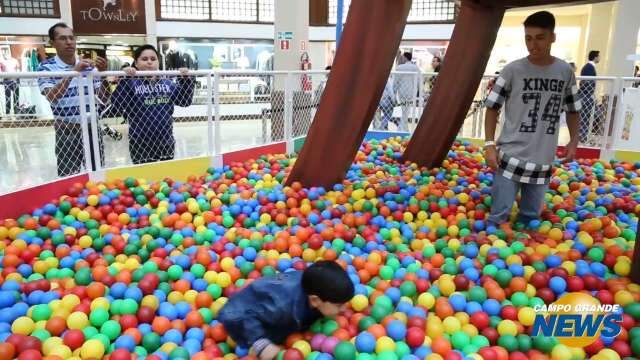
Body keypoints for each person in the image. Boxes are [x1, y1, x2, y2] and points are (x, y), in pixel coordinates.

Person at [483, 11, 581, 228]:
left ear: (552, 37)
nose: (533, 45)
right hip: (510, 157)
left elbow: (573, 109)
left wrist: (574, 141)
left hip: (543, 158)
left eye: (540, 38)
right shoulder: (512, 70)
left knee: (530, 220)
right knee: (498, 218)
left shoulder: (565, 72)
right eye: (528, 38)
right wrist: (489, 144)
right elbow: (491, 108)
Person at [218, 261, 354, 360]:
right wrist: (261, 343)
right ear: (315, 300)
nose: (344, 308)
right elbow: (246, 314)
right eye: (338, 305)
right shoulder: (281, 306)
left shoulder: (315, 286)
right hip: (238, 314)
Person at [38, 22, 110, 177]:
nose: (69, 42)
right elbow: (52, 96)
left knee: (98, 174)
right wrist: (73, 73)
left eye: (71, 38)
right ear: (52, 43)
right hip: (67, 131)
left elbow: (104, 98)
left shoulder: (89, 66)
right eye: (63, 38)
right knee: (69, 178)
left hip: (92, 129)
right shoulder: (46, 67)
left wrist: (103, 75)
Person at [111, 44, 195, 165]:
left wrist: (185, 80)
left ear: (158, 62)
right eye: (144, 59)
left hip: (165, 141)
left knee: (165, 179)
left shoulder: (168, 83)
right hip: (140, 143)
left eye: (153, 59)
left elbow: (184, 101)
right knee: (144, 179)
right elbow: (117, 104)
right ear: (136, 63)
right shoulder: (131, 83)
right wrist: (125, 80)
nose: (149, 62)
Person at [393, 52, 421, 130]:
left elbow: (396, 81)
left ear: (405, 57)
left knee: (404, 109)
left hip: (402, 92)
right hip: (412, 92)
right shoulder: (416, 68)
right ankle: (403, 127)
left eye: (402, 57)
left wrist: (394, 92)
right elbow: (419, 81)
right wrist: (419, 92)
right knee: (407, 109)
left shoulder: (399, 67)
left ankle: (401, 127)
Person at [578, 50, 600, 143]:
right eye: (599, 56)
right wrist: (590, 94)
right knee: (586, 116)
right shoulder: (589, 68)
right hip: (586, 96)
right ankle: (583, 136)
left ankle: (584, 135)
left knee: (588, 116)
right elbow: (586, 83)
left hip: (586, 95)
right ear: (595, 57)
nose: (599, 58)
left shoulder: (588, 67)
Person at [0, 49, 20, 117]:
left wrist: (17, 78)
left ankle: (16, 113)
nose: (5, 55)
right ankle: (8, 114)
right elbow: (1, 71)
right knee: (8, 98)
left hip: (15, 81)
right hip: (7, 81)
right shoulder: (2, 62)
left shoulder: (15, 60)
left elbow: (18, 69)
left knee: (16, 98)